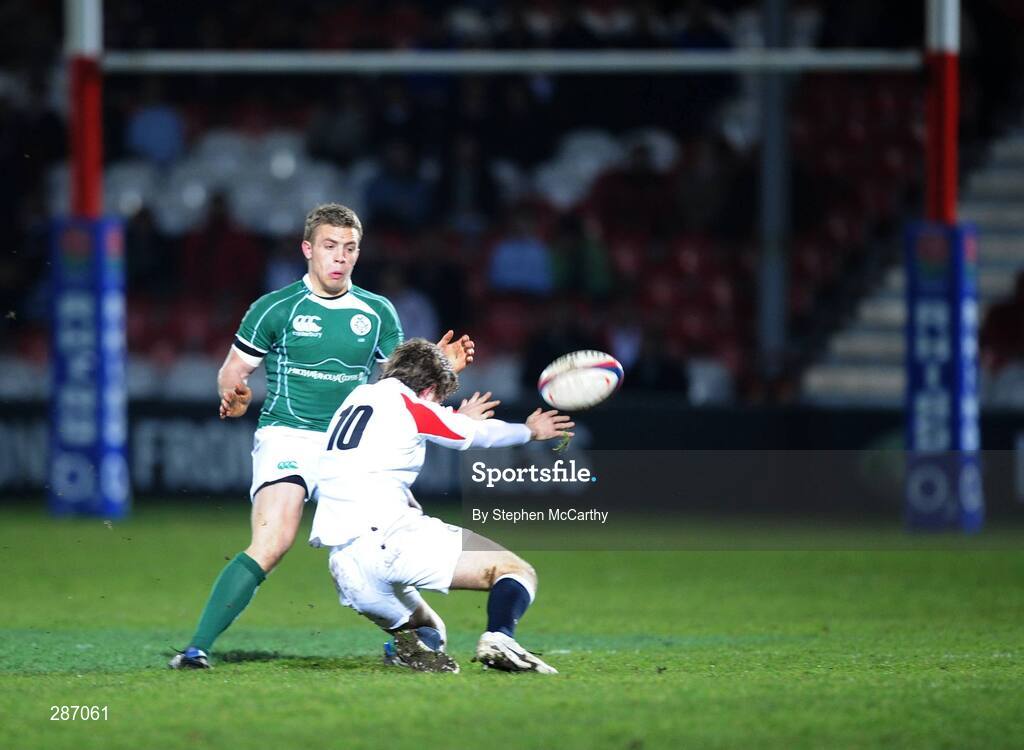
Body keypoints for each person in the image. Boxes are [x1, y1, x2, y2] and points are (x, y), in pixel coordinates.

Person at [169, 204, 474, 669]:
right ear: (308, 249)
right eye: (330, 247)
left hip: (351, 450)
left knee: (387, 547)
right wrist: (232, 393)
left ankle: (415, 635)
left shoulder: (376, 312)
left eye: (349, 249)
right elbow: (234, 370)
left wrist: (443, 368)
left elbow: (404, 390)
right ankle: (197, 648)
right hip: (288, 436)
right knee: (274, 540)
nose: (340, 258)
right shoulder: (274, 307)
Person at [310, 338, 574, 674]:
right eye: (439, 395)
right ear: (430, 389)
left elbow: (409, 418)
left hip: (346, 565)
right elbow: (475, 436)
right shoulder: (411, 407)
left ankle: (409, 650)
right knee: (515, 571)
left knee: (432, 634)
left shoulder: (357, 397)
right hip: (388, 539)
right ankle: (500, 638)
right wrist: (529, 430)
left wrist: (438, 382)